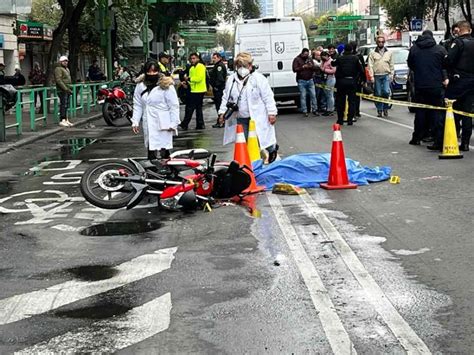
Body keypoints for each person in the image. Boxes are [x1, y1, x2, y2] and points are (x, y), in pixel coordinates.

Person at [218, 52, 279, 163]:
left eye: (244, 66)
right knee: (245, 141)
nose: (242, 69)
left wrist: (272, 113)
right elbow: (226, 97)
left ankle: (272, 149)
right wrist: (221, 113)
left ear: (250, 66)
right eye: (239, 66)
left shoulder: (258, 79)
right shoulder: (231, 80)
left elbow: (268, 97)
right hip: (241, 117)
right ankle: (253, 164)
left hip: (257, 117)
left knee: (262, 140)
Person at [406, 30, 448, 149]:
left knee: (420, 112)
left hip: (420, 85)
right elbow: (445, 66)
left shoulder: (414, 49)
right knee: (436, 112)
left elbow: (411, 65)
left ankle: (417, 137)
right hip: (436, 86)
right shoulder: (440, 49)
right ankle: (436, 139)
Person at [131, 60, 179, 160]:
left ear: (158, 71)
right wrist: (135, 121)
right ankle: (152, 170)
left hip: (163, 121)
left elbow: (173, 105)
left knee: (164, 149)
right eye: (149, 72)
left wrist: (174, 123)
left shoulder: (166, 85)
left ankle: (169, 171)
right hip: (148, 120)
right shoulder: (140, 85)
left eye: (154, 71)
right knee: (151, 147)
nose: (151, 74)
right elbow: (138, 104)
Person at [445, 20, 474, 151]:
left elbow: (449, 60)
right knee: (468, 112)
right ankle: (466, 143)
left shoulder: (458, 43)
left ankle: (454, 138)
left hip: (458, 81)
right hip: (472, 82)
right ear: (470, 30)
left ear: (459, 30)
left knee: (454, 111)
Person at [332, 43, 365, 125]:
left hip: (341, 82)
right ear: (351, 50)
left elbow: (333, 64)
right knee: (352, 101)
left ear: (344, 50)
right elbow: (361, 70)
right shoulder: (355, 58)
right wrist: (362, 79)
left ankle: (340, 119)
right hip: (352, 82)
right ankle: (350, 119)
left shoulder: (340, 58)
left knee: (340, 101)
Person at [368, 35, 394, 117]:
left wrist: (392, 75)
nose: (381, 43)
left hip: (386, 75)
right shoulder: (372, 53)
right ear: (376, 42)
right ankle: (379, 109)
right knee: (378, 93)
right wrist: (371, 76)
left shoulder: (389, 52)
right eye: (379, 42)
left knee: (386, 92)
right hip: (377, 76)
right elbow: (370, 65)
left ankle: (385, 108)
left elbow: (392, 65)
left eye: (382, 42)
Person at [179, 53, 207, 130]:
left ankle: (185, 123)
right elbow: (192, 80)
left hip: (199, 90)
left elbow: (199, 78)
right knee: (198, 108)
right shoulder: (191, 68)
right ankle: (200, 124)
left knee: (190, 108)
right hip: (193, 90)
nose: (192, 60)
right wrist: (187, 83)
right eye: (191, 59)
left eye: (194, 58)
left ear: (198, 58)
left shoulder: (201, 66)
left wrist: (189, 79)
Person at [292, 48, 317, 117]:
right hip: (301, 80)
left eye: (307, 54)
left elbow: (315, 68)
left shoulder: (309, 59)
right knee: (303, 96)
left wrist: (311, 66)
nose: (306, 56)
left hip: (310, 79)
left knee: (313, 95)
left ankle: (315, 109)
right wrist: (303, 67)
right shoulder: (297, 59)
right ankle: (304, 111)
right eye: (305, 54)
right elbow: (294, 69)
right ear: (302, 53)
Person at [209, 52, 228, 128]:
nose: (213, 59)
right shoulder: (217, 65)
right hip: (218, 89)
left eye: (215, 58)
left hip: (219, 89)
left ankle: (221, 121)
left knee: (219, 106)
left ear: (219, 58)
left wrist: (216, 86)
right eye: (213, 58)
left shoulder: (219, 66)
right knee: (218, 106)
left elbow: (220, 78)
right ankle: (220, 121)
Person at [54, 56, 73, 127]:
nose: (66, 62)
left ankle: (66, 119)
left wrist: (68, 89)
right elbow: (58, 80)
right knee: (63, 104)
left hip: (67, 89)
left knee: (66, 105)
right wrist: (66, 89)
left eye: (66, 61)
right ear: (60, 62)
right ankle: (62, 120)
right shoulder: (58, 69)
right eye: (64, 61)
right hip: (62, 90)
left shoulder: (67, 69)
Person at [350, 41, 366, 119]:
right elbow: (362, 69)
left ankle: (354, 111)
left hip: (352, 79)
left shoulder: (347, 56)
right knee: (356, 96)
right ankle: (356, 111)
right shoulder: (358, 56)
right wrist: (364, 79)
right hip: (357, 79)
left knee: (352, 96)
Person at [321, 50, 336, 116]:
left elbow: (333, 70)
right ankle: (328, 108)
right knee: (327, 94)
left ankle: (331, 109)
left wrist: (325, 70)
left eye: (323, 57)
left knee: (330, 94)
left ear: (327, 56)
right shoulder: (324, 61)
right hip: (325, 78)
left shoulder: (331, 61)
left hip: (330, 78)